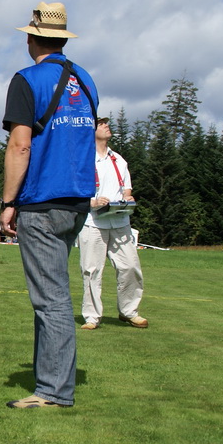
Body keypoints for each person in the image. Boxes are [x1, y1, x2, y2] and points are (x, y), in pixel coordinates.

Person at [0, 1, 98, 409]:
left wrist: (8, 201)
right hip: (77, 199)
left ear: (31, 38)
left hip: (42, 200)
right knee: (52, 295)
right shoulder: (86, 80)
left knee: (51, 300)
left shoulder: (27, 79)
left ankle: (54, 391)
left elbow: (20, 145)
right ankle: (50, 379)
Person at [77, 118, 148, 329]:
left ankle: (129, 311)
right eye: (101, 124)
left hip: (120, 221)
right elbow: (74, 189)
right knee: (91, 270)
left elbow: (127, 189)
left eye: (106, 123)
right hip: (93, 222)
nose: (106, 126)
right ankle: (92, 317)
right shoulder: (82, 158)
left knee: (130, 267)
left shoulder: (118, 159)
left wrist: (128, 199)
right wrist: (92, 202)